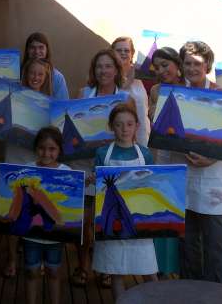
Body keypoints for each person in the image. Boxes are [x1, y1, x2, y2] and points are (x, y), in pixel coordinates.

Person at [71, 49, 133, 288]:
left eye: (108, 66)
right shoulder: (83, 93)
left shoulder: (125, 98)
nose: (103, 71)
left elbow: (131, 132)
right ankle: (82, 266)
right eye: (99, 66)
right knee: (84, 222)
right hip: (85, 165)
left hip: (112, 166)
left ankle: (106, 267)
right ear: (93, 71)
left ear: (116, 70)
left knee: (107, 219)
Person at [178, 40, 222, 285]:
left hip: (215, 181)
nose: (191, 68)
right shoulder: (178, 95)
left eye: (197, 63)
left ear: (208, 65)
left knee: (216, 246)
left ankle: (221, 297)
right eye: (187, 63)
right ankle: (190, 295)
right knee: (188, 244)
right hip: (187, 178)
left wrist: (210, 158)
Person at [92, 103, 158, 300]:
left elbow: (153, 185)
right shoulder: (102, 154)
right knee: (116, 271)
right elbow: (99, 185)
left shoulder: (145, 154)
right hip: (112, 221)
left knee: (149, 270)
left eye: (129, 124)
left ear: (137, 126)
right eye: (119, 125)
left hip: (139, 221)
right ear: (112, 126)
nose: (124, 129)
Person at [3, 57, 54, 278]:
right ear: (25, 75)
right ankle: (12, 259)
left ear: (45, 78)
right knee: (12, 210)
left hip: (38, 161)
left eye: (40, 74)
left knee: (35, 209)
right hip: (14, 156)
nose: (35, 77)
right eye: (32, 73)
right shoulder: (11, 98)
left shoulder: (50, 103)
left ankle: (38, 260)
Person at [146, 46, 188, 278]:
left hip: (185, 161)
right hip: (162, 159)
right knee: (163, 218)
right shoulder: (155, 91)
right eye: (158, 67)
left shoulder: (190, 90)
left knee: (183, 222)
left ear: (177, 66)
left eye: (166, 65)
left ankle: (184, 272)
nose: (161, 71)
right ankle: (162, 272)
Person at [22, 127, 71, 304]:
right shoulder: (26, 169)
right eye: (42, 148)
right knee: (31, 272)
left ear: (59, 150)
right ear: (36, 149)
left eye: (52, 149)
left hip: (55, 237)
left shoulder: (66, 171)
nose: (47, 153)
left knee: (54, 272)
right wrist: (2, 176)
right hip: (31, 235)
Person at [111, 36, 151, 146]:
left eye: (127, 50)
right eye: (119, 50)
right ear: (112, 53)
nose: (123, 53)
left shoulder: (140, 72)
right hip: (117, 135)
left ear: (132, 54)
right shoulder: (109, 74)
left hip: (141, 134)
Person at [23, 32, 69, 100]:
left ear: (47, 50)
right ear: (27, 50)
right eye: (32, 47)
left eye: (41, 47)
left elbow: (63, 106)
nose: (37, 51)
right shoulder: (19, 73)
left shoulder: (58, 78)